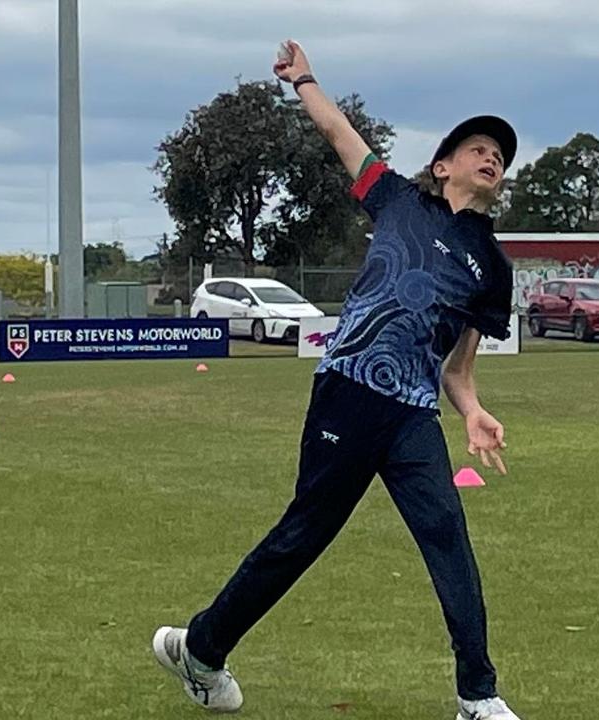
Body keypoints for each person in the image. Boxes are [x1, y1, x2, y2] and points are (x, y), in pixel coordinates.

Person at [151, 40, 524, 720]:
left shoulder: (492, 267)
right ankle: (201, 649)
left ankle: (478, 695)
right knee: (304, 535)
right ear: (443, 165)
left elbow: (459, 367)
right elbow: (337, 132)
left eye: (499, 155)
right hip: (348, 390)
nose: (491, 156)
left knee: (448, 537)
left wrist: (472, 410)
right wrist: (305, 80)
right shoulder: (398, 200)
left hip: (412, 414)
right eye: (477, 147)